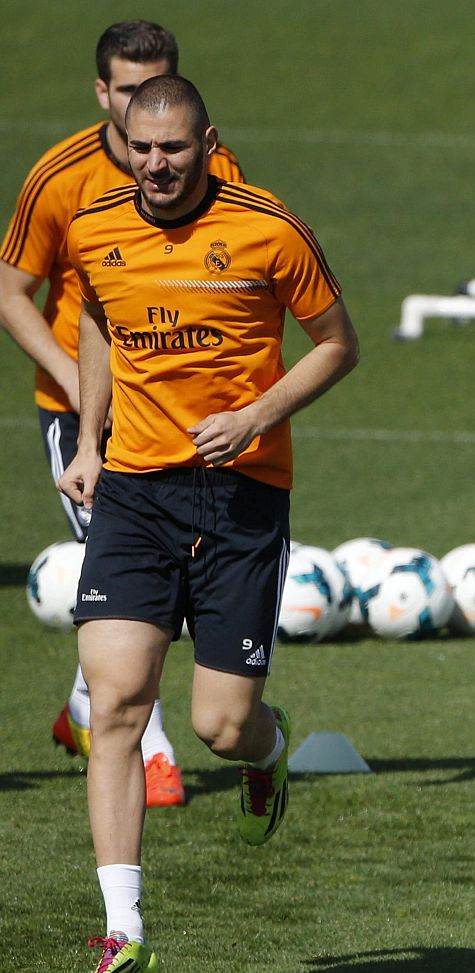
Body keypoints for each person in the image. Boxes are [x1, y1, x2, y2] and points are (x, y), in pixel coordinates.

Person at [57, 74, 358, 973]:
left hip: (240, 498)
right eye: (141, 149)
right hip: (137, 495)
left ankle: (267, 758)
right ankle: (125, 930)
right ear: (124, 142)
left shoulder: (270, 228)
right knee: (114, 701)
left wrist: (258, 415)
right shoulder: (97, 225)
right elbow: (100, 320)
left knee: (218, 726)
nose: (155, 165)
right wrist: (92, 442)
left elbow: (338, 342)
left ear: (206, 142)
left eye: (174, 149)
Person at [0, 19, 246, 808]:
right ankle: (151, 746)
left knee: (150, 582)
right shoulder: (60, 176)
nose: (147, 112)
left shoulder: (212, 165)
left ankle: (87, 709)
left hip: (180, 417)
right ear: (102, 93)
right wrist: (80, 386)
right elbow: (12, 295)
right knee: (133, 572)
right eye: (130, 92)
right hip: (84, 408)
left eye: (159, 87)